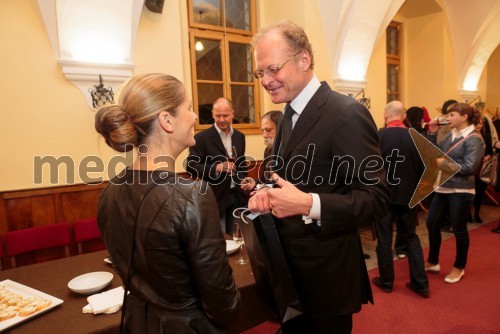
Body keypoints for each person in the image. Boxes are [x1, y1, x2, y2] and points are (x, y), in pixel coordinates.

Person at [248, 21, 389, 333]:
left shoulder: (344, 113)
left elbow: (377, 198)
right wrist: (266, 191)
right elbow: (292, 180)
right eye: (260, 74)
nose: (266, 81)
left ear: (303, 60)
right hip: (291, 275)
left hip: (327, 279)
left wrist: (309, 204)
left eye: (273, 69)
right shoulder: (286, 117)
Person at [95, 73, 240, 333]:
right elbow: (223, 302)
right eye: (188, 107)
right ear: (167, 120)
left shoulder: (110, 191)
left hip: (138, 323)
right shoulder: (192, 195)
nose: (196, 116)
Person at [372, 101, 429, 298]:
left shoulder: (378, 137)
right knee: (411, 237)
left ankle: (387, 282)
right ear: (404, 116)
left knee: (384, 239)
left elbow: (370, 168)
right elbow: (428, 168)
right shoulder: (417, 137)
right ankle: (420, 283)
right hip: (408, 195)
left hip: (384, 196)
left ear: (386, 115)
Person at [425, 103, 485, 284]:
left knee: (459, 229)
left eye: (452, 115)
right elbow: (437, 153)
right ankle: (433, 262)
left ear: (464, 117)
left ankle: (459, 267)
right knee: (432, 223)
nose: (448, 118)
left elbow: (470, 167)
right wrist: (433, 132)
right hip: (444, 186)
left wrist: (444, 165)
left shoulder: (475, 139)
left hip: (461, 189)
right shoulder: (452, 134)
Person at [186, 97, 248, 234]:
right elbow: (190, 166)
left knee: (237, 237)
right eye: (217, 116)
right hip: (214, 197)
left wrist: (244, 180)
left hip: (237, 196)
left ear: (232, 113)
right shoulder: (201, 138)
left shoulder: (240, 137)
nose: (221, 119)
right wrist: (216, 168)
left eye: (225, 115)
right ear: (212, 114)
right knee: (219, 239)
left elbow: (241, 164)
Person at [241, 110, 283, 191]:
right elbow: (265, 179)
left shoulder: (290, 152)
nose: (264, 135)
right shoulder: (267, 151)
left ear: (281, 129)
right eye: (262, 131)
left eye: (269, 130)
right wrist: (255, 182)